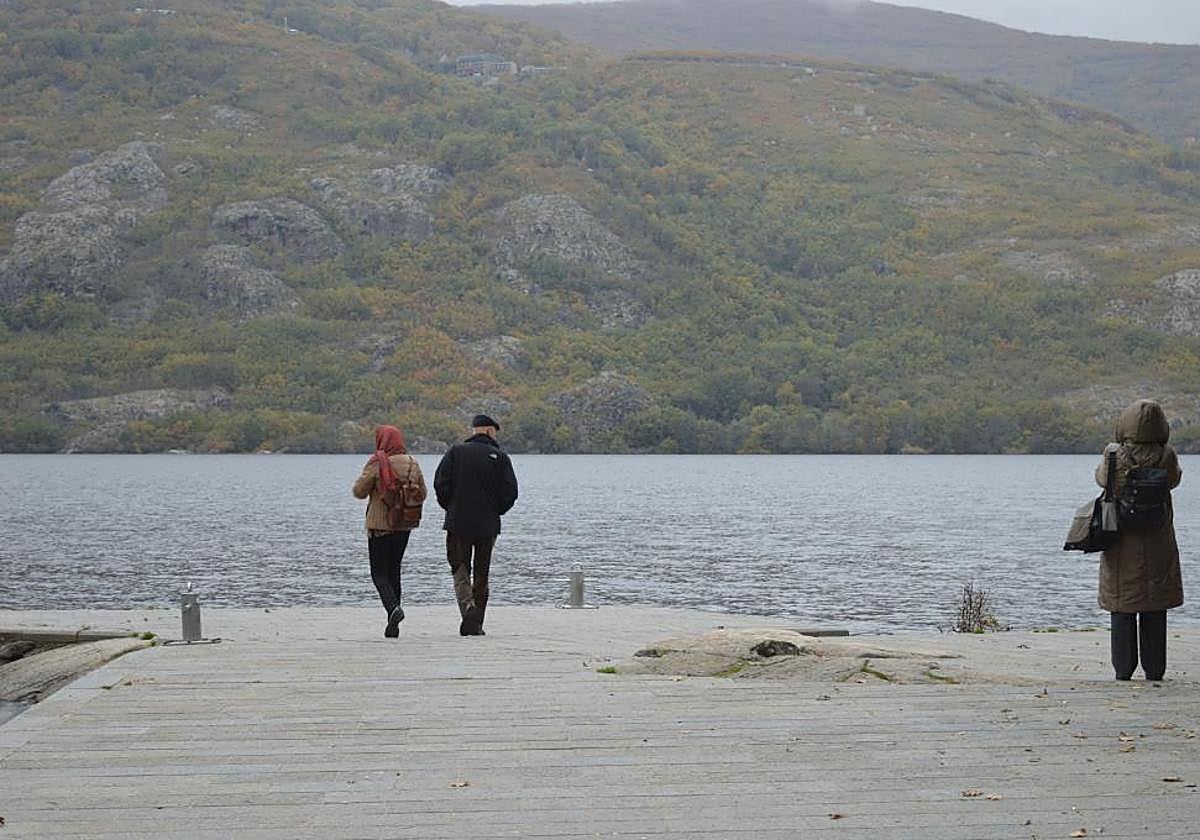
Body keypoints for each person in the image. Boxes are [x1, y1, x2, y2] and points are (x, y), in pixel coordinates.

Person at [1094, 399, 1183, 681]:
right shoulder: (1166, 455)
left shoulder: (1114, 455)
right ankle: (1155, 670)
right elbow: (1175, 480)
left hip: (1122, 540)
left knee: (1122, 605)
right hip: (1159, 539)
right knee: (1155, 607)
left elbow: (1101, 481)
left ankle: (1123, 670)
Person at [434, 414, 518, 636]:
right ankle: (477, 622)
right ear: (490, 431)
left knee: (460, 569)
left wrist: (451, 508)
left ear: (474, 431)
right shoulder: (500, 457)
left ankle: (467, 606)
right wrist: (495, 511)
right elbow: (510, 493)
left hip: (458, 522)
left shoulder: (455, 452)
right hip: (487, 525)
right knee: (482, 573)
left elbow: (440, 484)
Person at [353, 425, 426, 639]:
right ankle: (393, 623)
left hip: (379, 525)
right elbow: (423, 493)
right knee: (394, 571)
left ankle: (393, 609)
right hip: (404, 525)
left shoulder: (378, 462)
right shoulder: (412, 463)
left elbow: (359, 491)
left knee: (379, 573)